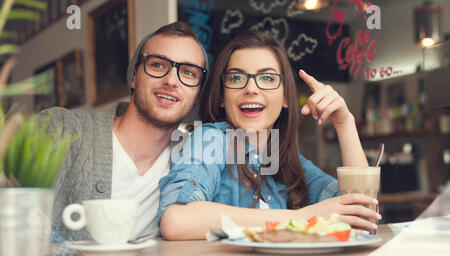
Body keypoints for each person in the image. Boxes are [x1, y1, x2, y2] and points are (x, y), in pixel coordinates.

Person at [156, 30, 380, 240]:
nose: (251, 88)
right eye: (236, 78)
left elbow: (361, 216)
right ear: (222, 97)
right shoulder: (211, 139)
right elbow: (176, 220)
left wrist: (345, 123)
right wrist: (300, 217)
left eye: (267, 78)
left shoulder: (289, 161)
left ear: (285, 98)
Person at [40, 21, 209, 241]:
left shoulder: (195, 160)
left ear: (197, 96)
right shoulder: (61, 129)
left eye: (188, 73)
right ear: (133, 77)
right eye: (158, 65)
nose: (171, 81)